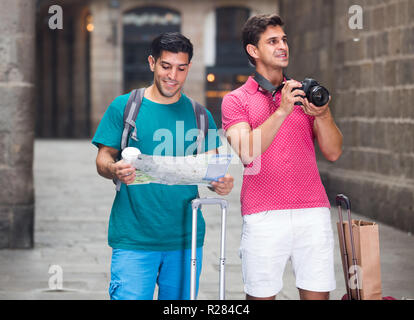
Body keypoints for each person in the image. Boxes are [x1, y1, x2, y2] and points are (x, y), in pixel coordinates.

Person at [92, 32, 234, 300]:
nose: (173, 76)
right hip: (133, 238)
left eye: (181, 68)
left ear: (188, 68)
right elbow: (102, 159)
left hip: (185, 240)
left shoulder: (200, 115)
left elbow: (215, 169)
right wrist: (115, 169)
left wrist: (221, 183)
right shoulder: (125, 107)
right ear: (152, 63)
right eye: (166, 66)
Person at [221, 14, 343, 300]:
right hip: (263, 214)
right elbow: (247, 152)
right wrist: (281, 111)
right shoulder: (236, 99)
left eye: (284, 40)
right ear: (253, 50)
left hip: (313, 212)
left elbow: (334, 152)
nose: (282, 46)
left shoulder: (305, 93)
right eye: (272, 41)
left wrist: (323, 114)